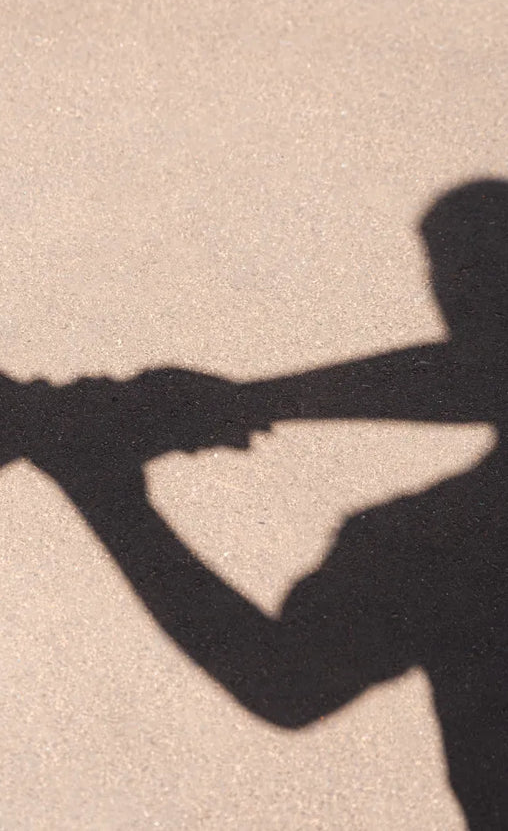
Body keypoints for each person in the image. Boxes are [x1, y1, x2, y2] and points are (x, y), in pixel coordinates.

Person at [28, 180, 508, 828]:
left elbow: (284, 681)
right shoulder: (425, 543)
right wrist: (114, 498)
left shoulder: (431, 542)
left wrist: (115, 496)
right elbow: (285, 680)